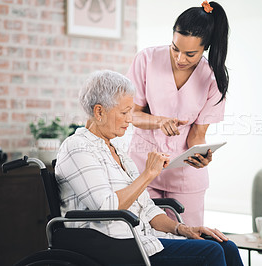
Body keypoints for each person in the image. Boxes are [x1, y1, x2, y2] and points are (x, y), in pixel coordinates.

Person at [55, 70, 243, 265]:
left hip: (142, 241)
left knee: (225, 245)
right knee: (210, 252)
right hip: (113, 245)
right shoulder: (77, 147)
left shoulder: (117, 150)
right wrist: (148, 174)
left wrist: (183, 229)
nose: (130, 119)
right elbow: (106, 207)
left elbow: (148, 208)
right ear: (99, 112)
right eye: (124, 112)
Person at [126, 1, 229, 226]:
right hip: (144, 169)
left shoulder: (213, 80)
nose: (180, 59)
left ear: (206, 47)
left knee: (189, 244)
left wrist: (202, 155)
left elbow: (196, 136)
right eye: (175, 48)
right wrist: (159, 121)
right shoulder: (146, 60)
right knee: (144, 242)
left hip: (186, 176)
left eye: (190, 54)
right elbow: (131, 115)